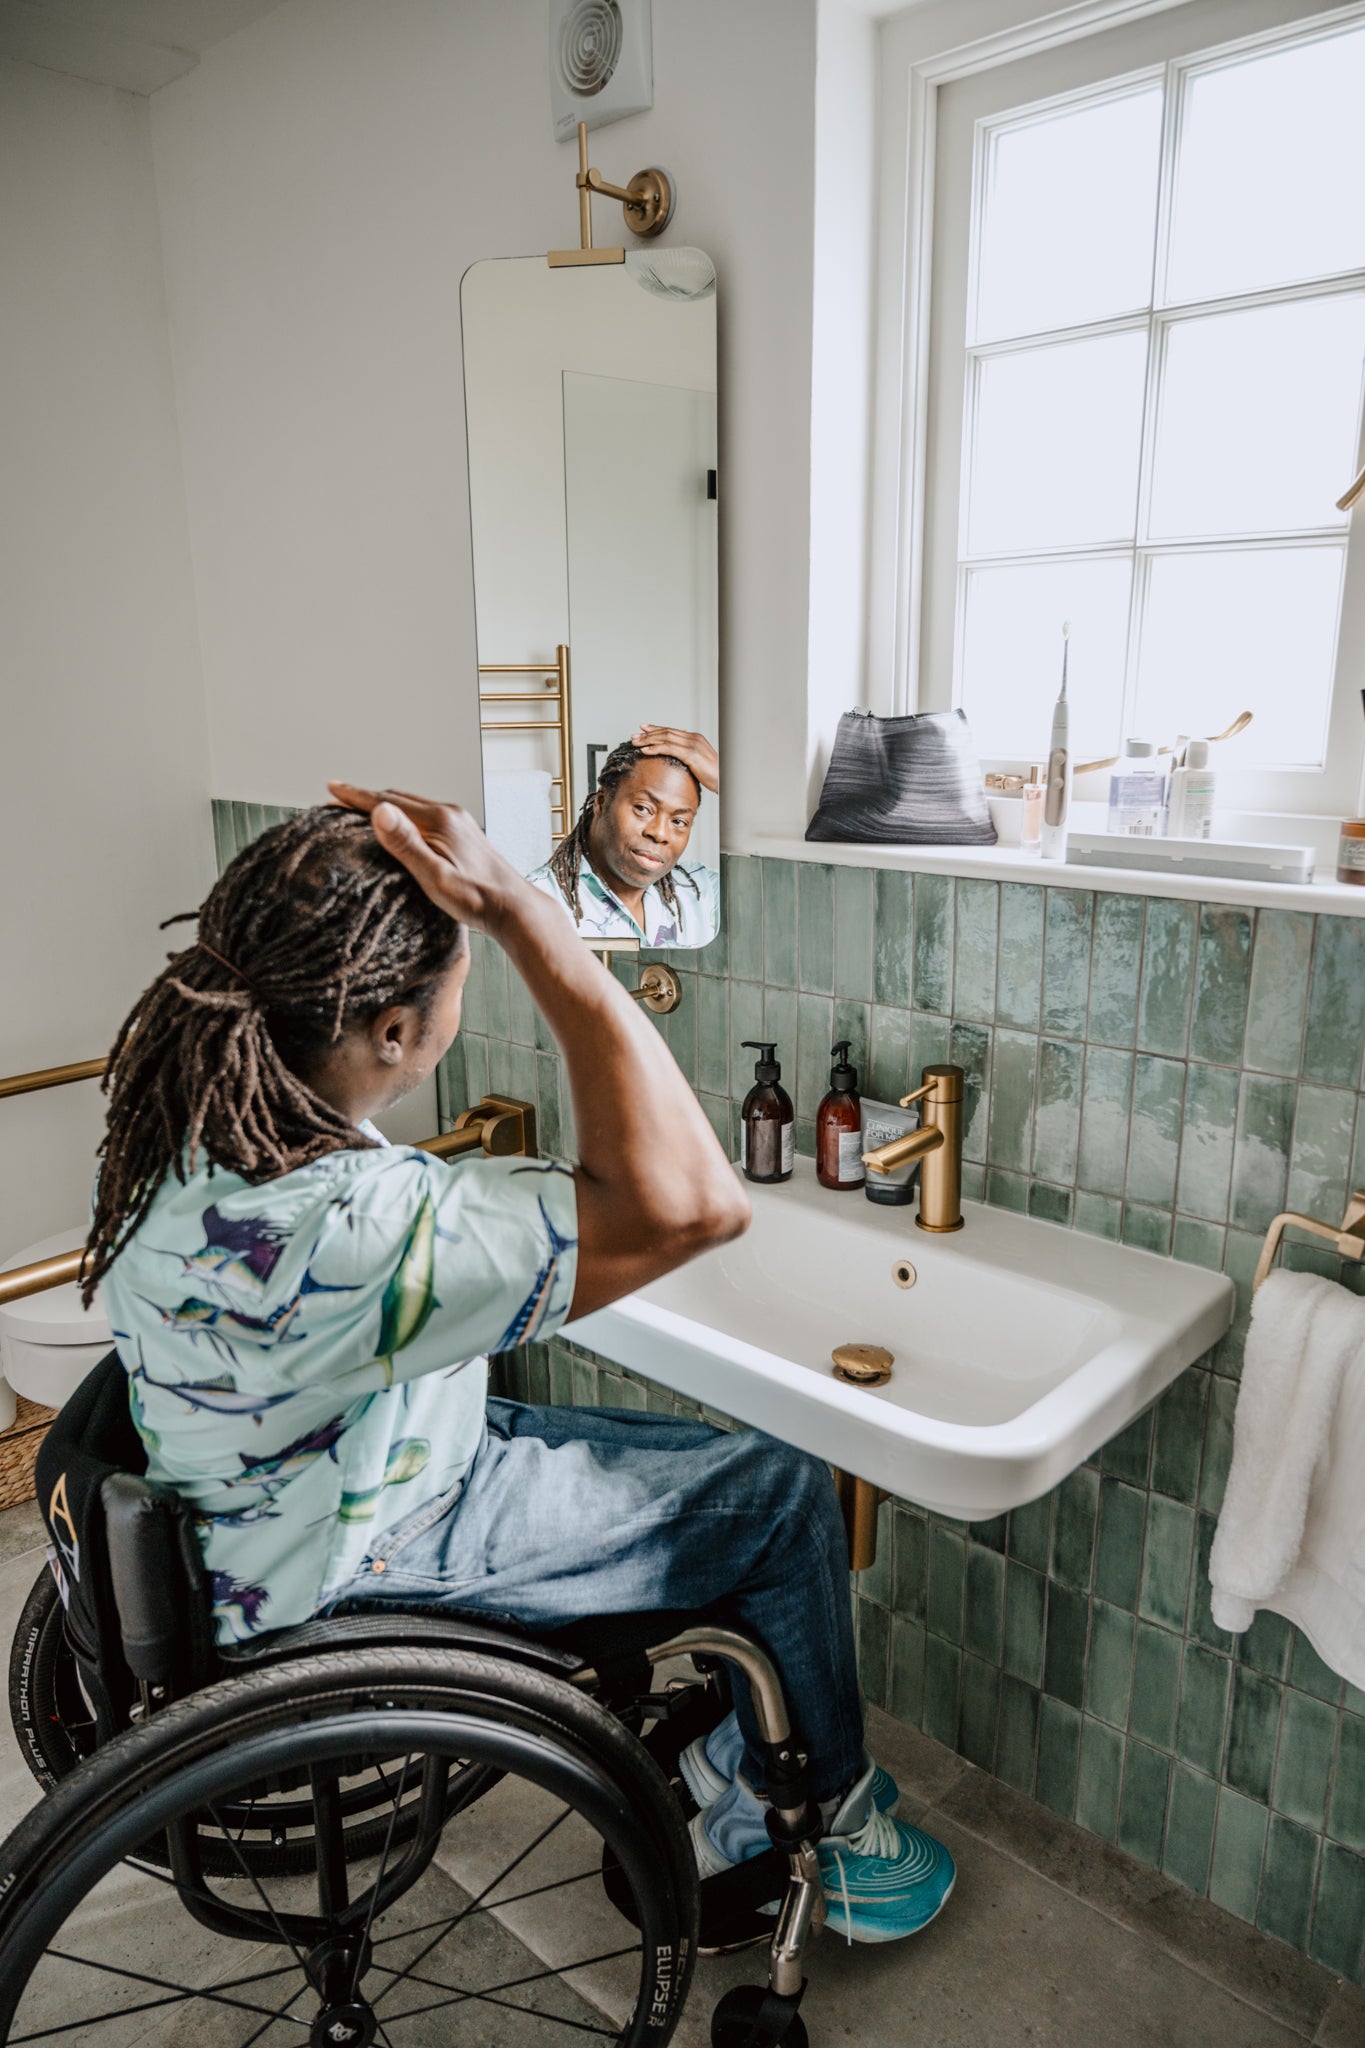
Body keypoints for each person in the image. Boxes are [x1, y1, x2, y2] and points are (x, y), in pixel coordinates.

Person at [86, 787, 954, 1944]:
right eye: (456, 975)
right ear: (395, 1031)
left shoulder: (198, 1105)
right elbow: (697, 1204)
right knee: (787, 1497)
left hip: (276, 1499)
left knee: (738, 1470)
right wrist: (529, 919)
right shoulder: (352, 1227)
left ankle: (734, 1751)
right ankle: (828, 1822)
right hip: (368, 1540)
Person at [528, 724, 720, 948]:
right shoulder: (536, 904)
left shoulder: (703, 893)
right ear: (602, 802)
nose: (659, 833)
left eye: (678, 821)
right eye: (643, 808)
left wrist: (724, 778)